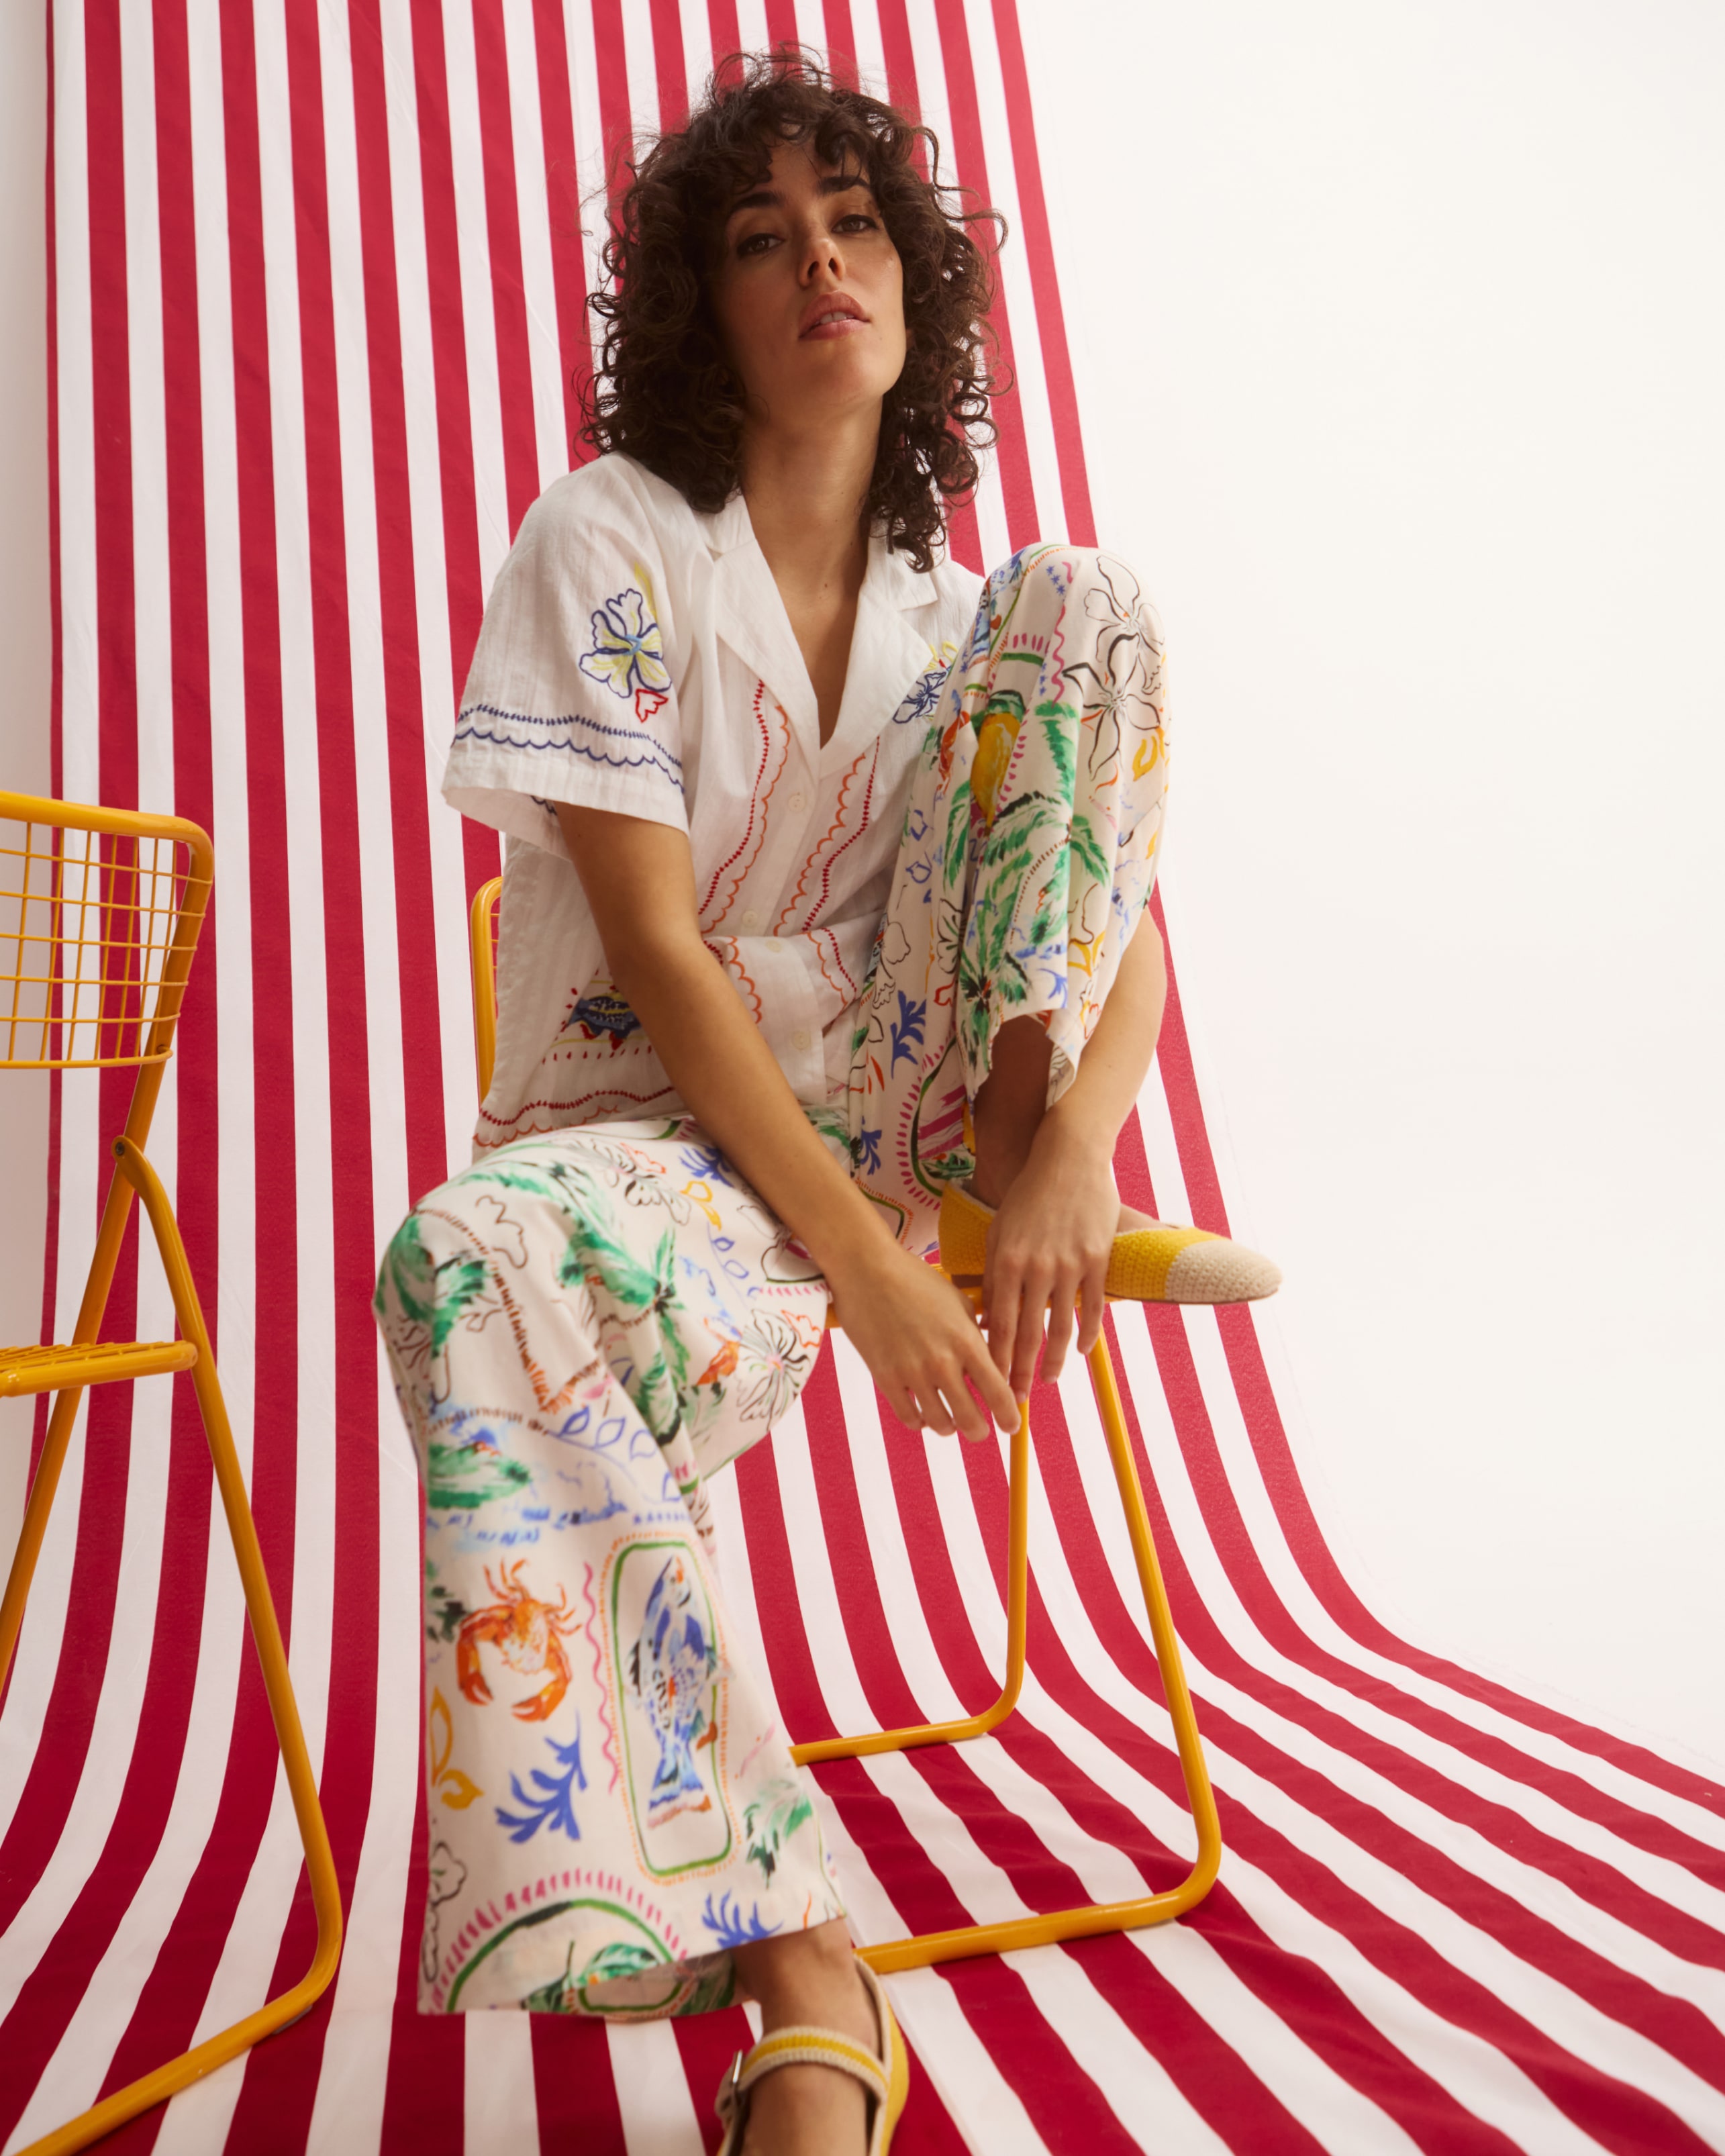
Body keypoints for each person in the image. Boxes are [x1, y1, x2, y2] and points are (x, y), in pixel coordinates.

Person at [374, 49, 1278, 2156]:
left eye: (855, 224)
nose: (819, 263)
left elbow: (1126, 933)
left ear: (912, 282)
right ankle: (804, 1965)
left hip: (903, 1112)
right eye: (761, 237)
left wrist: (1067, 1160)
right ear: (705, 306)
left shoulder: (956, 616)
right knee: (465, 1258)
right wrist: (866, 1277)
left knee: (1088, 601)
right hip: (643, 1152)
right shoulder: (612, 539)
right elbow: (656, 949)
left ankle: (1004, 1174)